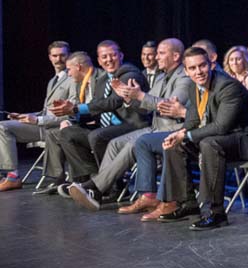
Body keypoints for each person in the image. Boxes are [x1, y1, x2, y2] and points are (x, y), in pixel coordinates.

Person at [68, 38, 190, 210]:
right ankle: (100, 192)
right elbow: (145, 108)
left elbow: (168, 106)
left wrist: (139, 95)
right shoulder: (163, 78)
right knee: (114, 143)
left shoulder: (184, 78)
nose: (156, 57)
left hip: (172, 130)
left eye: (161, 53)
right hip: (155, 128)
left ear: (176, 56)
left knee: (133, 144)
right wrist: (128, 97)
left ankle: (93, 187)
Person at [156, 46, 248, 230]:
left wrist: (187, 135)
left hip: (244, 139)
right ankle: (188, 204)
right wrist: (179, 134)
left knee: (209, 143)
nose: (198, 72)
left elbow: (222, 126)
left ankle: (215, 212)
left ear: (211, 65)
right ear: (186, 71)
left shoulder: (227, 86)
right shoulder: (194, 87)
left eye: (202, 66)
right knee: (175, 145)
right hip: (220, 138)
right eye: (193, 68)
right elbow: (192, 119)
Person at [49, 40, 150, 195]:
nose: (109, 60)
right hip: (108, 126)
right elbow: (97, 106)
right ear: (99, 60)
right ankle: (85, 182)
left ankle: (112, 185)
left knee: (98, 136)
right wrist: (72, 115)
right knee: (68, 133)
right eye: (104, 57)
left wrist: (75, 108)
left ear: (121, 55)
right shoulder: (103, 80)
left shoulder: (129, 74)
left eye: (113, 55)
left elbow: (113, 102)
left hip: (132, 125)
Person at [0, 41, 76, 191]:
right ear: (49, 57)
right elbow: (45, 111)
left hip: (54, 127)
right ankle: (9, 174)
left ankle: (12, 177)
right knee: (3, 126)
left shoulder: (72, 78)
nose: (58, 59)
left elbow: (71, 111)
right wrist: (24, 116)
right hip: (42, 124)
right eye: (55, 55)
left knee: (2, 127)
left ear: (69, 56)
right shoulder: (52, 81)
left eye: (62, 55)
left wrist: (38, 120)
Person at [36, 51, 108, 194]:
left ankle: (91, 181)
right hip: (90, 124)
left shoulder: (101, 79)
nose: (68, 74)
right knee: (64, 132)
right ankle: (82, 180)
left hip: (105, 126)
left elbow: (100, 107)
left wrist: (71, 113)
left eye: (69, 69)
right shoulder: (79, 83)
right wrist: (71, 118)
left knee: (69, 134)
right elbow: (80, 110)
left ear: (79, 67)